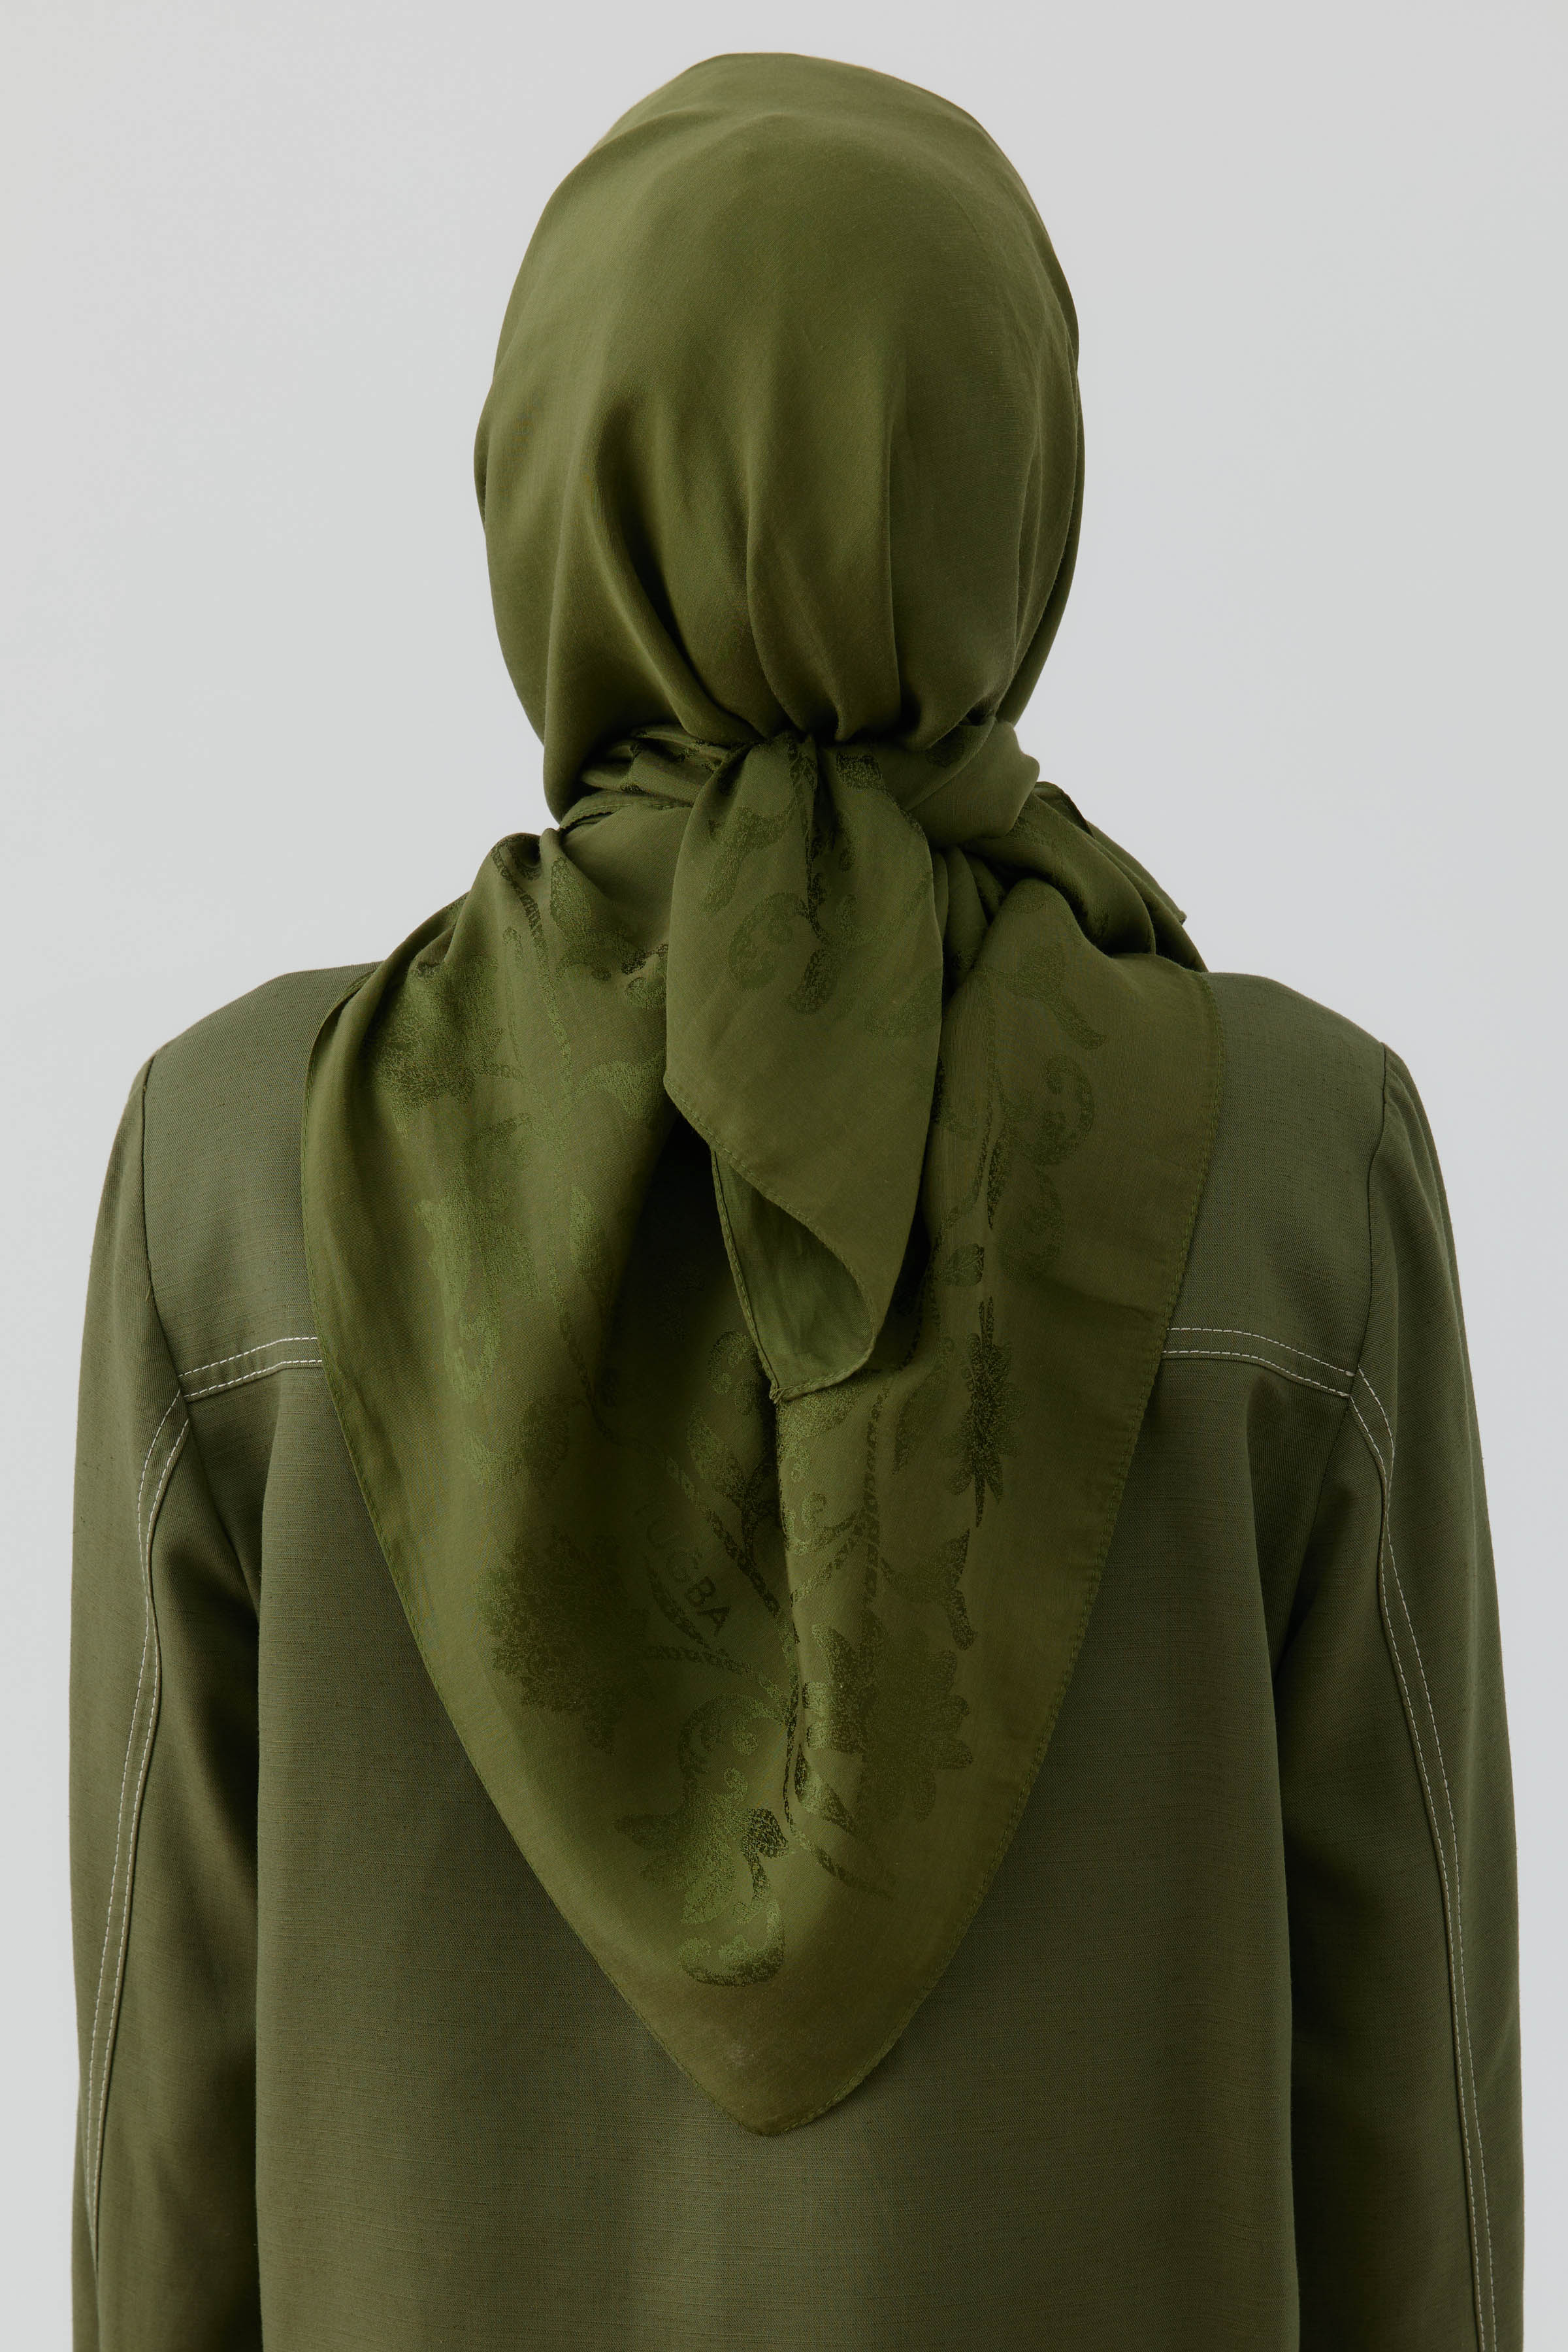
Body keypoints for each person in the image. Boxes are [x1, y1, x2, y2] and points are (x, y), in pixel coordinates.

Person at [69, 51, 1522, 2352]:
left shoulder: (236, 1169)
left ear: (540, 480)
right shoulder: (1297, 1162)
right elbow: (1407, 2143)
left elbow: (171, 2138)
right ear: (1017, 485)